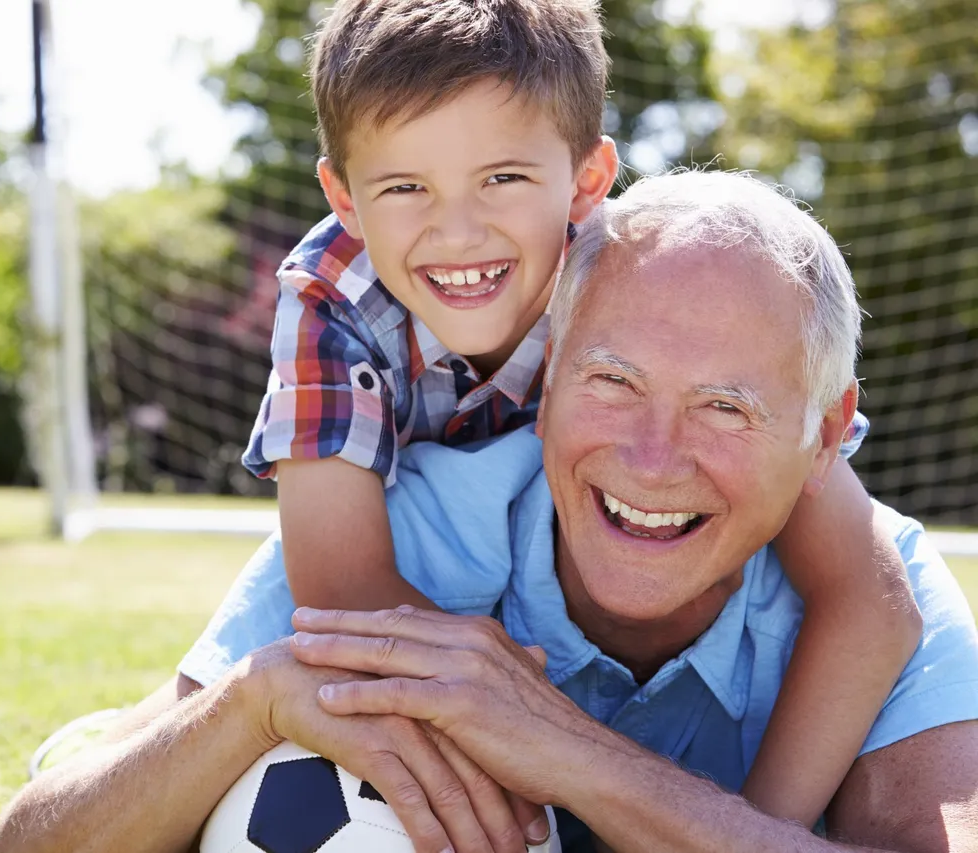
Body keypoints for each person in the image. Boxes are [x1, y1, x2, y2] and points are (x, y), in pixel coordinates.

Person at [3, 171, 975, 853]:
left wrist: (577, 758)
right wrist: (246, 706)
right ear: (546, 377)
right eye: (612, 380)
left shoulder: (882, 590)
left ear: (828, 431)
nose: (652, 457)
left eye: (726, 406)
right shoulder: (413, 526)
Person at [193, 0, 919, 832]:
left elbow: (870, 594)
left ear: (587, 181)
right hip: (462, 572)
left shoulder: (635, 279)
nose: (458, 232)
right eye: (403, 186)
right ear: (343, 195)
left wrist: (741, 830)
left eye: (502, 177)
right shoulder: (331, 301)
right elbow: (345, 594)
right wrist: (518, 711)